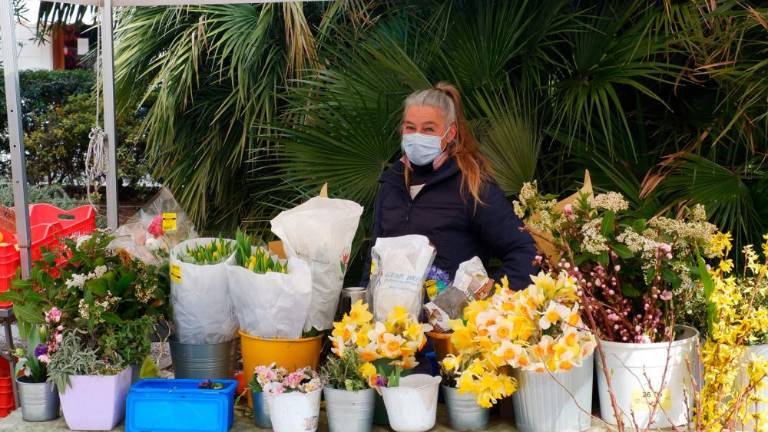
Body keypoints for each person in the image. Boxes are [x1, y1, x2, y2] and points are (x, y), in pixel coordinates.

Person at [361, 82, 537, 291]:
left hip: (450, 321)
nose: (417, 136)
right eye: (410, 127)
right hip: (389, 318)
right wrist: (362, 305)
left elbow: (524, 251)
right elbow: (374, 260)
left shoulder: (471, 185)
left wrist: (490, 298)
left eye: (428, 129)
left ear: (450, 132)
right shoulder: (391, 184)